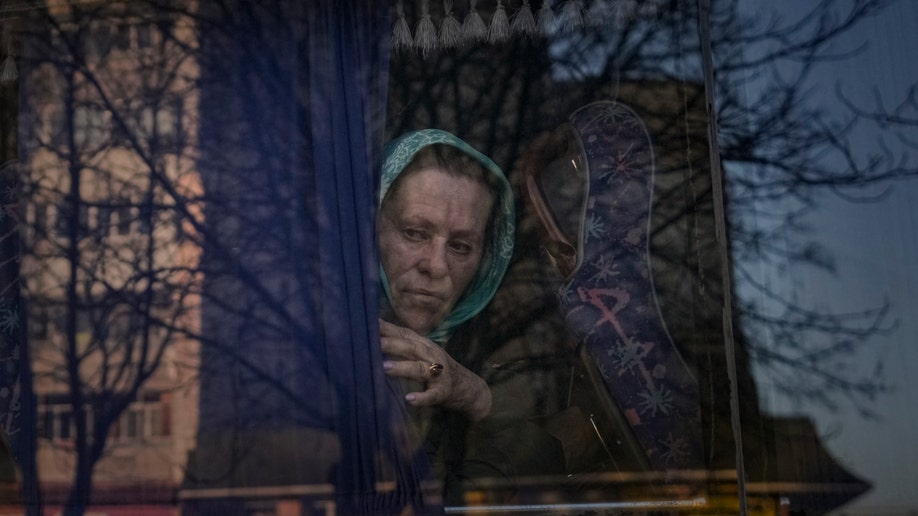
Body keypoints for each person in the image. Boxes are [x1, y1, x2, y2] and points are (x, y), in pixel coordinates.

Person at [377, 129, 564, 505]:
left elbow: (549, 463)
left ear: (488, 260)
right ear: (370, 227)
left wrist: (475, 394)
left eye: (461, 246)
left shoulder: (499, 345)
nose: (436, 266)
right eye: (415, 233)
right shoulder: (321, 348)